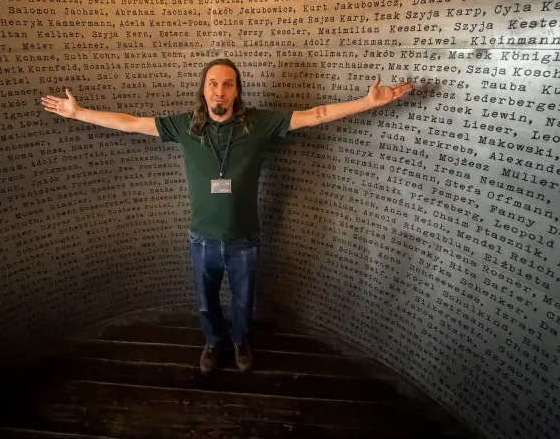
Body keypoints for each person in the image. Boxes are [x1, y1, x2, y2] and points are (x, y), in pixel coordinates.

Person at [41, 58, 413, 374]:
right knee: (206, 301)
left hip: (244, 238)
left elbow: (317, 115)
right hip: (202, 237)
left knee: (243, 300)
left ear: (237, 91)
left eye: (228, 84)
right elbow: (129, 122)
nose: (220, 91)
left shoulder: (259, 123)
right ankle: (213, 342)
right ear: (203, 90)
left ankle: (240, 341)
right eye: (213, 84)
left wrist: (368, 102)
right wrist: (78, 112)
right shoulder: (185, 125)